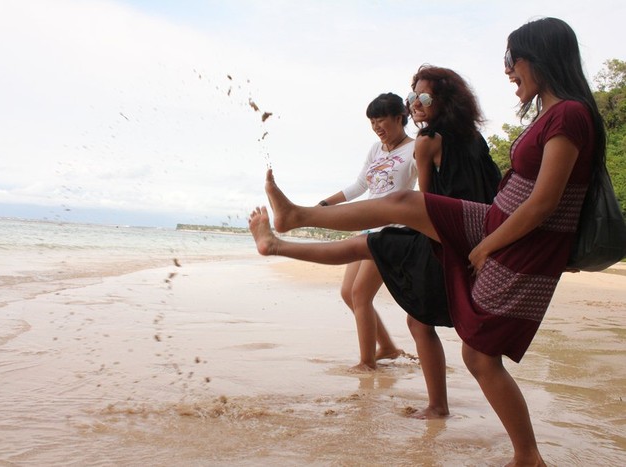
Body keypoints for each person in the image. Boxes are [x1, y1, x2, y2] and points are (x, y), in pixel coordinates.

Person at [251, 17, 604, 466]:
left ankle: (527, 456)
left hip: (510, 236)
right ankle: (295, 218)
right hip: (495, 219)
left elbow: (543, 203)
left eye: (512, 58)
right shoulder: (551, 115)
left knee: (478, 355)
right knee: (401, 207)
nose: (507, 69)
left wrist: (487, 245)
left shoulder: (569, 114)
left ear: (541, 57)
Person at [251, 65, 501, 419]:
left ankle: (286, 233)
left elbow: (426, 202)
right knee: (381, 299)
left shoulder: (424, 143)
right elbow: (362, 186)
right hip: (465, 232)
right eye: (413, 95)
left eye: (424, 97)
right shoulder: (473, 139)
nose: (416, 102)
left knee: (370, 291)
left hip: (430, 233)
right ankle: (286, 232)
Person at [317, 92, 416, 372]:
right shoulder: (376, 149)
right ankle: (387, 347)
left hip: (392, 232)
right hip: (369, 227)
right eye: (372, 122)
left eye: (381, 120)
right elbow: (360, 186)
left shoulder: (415, 148)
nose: (376, 127)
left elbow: (426, 189)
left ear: (400, 117)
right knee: (348, 292)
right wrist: (324, 205)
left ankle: (367, 362)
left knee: (361, 294)